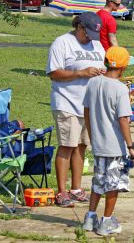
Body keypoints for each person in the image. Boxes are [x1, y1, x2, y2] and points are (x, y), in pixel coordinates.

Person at [46, 12, 106, 207]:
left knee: (82, 145)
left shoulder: (97, 44)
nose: (90, 38)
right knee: (67, 145)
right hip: (67, 101)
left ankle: (77, 189)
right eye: (87, 33)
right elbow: (53, 73)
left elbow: (100, 65)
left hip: (89, 104)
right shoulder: (62, 42)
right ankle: (62, 192)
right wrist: (80, 72)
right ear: (79, 27)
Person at [82, 46, 134, 236]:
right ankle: (106, 221)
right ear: (122, 68)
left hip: (98, 143)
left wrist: (92, 135)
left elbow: (87, 111)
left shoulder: (93, 82)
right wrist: (131, 147)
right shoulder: (120, 88)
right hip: (115, 146)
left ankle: (90, 218)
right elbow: (123, 119)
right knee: (113, 185)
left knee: (98, 182)